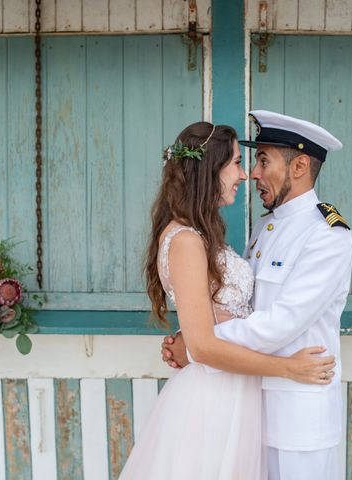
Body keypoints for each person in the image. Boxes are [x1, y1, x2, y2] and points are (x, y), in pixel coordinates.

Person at [118, 121, 336, 479]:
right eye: (237, 162)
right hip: (214, 395)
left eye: (255, 161)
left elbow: (223, 322)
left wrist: (194, 340)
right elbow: (206, 343)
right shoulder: (188, 239)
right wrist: (287, 367)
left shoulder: (319, 232)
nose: (246, 174)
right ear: (210, 169)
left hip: (238, 391)